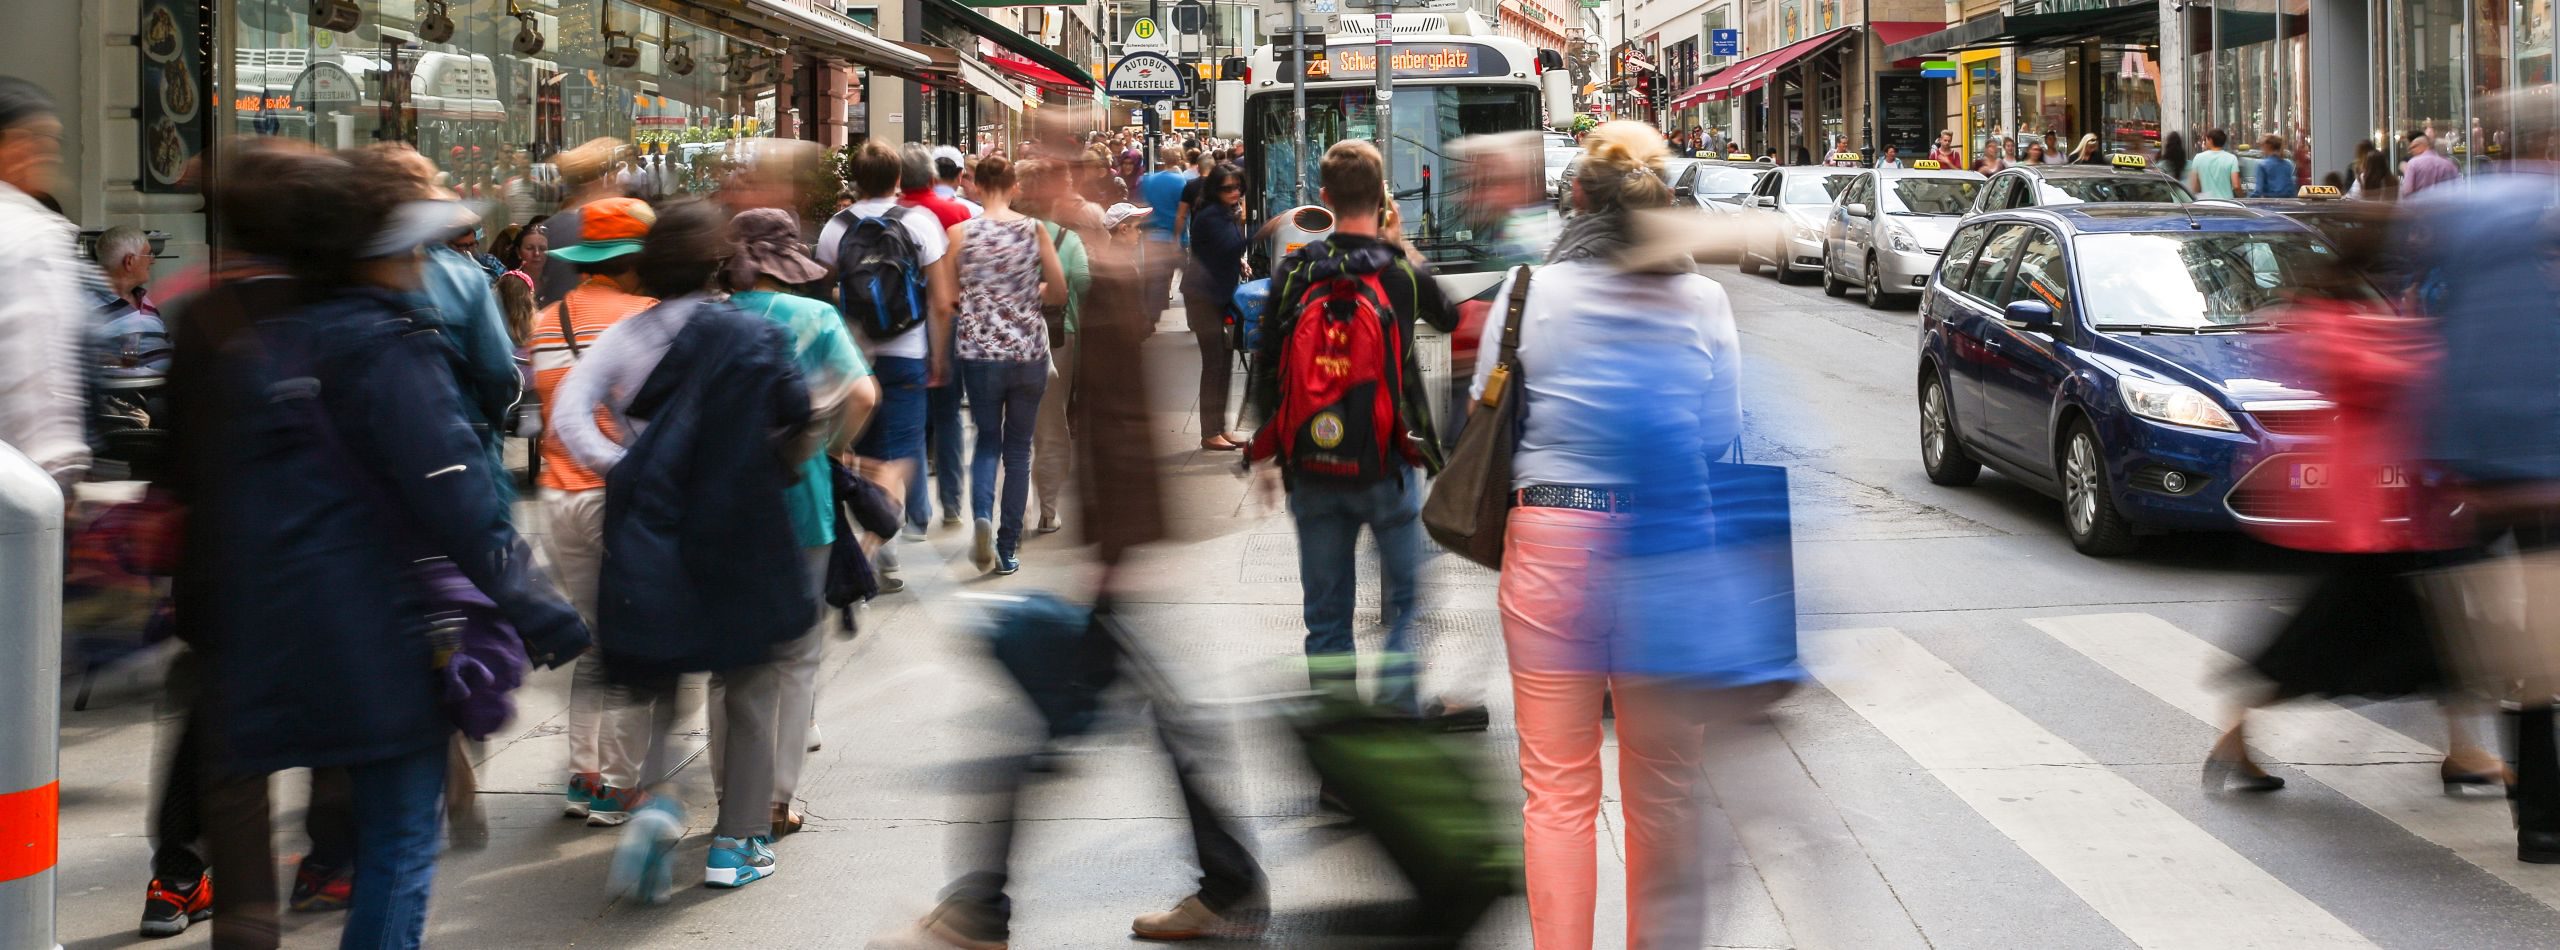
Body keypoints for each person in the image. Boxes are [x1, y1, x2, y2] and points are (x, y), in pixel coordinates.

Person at [203, 150, 587, 950]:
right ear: (375, 255)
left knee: (380, 830)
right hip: (382, 629)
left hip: (278, 625)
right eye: (410, 245)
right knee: (402, 841)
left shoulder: (262, 343)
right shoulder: (388, 348)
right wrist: (540, 609)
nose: (422, 261)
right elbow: (456, 496)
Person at [1469, 117, 1759, 950]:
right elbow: (1720, 431)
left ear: (1579, 208)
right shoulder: (1703, 299)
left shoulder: (1527, 289)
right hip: (1670, 547)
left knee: (1556, 789)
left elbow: (1484, 420)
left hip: (1552, 539)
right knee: (1666, 787)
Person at [549, 199, 816, 898]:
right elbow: (799, 412)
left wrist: (629, 466)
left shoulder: (624, 339)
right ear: (719, 262)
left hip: (652, 528)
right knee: (750, 685)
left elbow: (569, 416)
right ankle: (735, 843)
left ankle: (656, 809)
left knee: (666, 682)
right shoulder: (749, 332)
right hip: (740, 527)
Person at [1248, 139, 1457, 725]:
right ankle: (1395, 710)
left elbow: (1268, 364)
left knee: (1327, 616)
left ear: (1325, 199)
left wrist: (1268, 457)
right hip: (1388, 464)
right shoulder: (1399, 275)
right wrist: (1403, 246)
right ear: (1383, 197)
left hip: (1311, 464)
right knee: (1409, 599)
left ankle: (1341, 746)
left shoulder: (1296, 270)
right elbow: (1451, 317)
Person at [2404, 88, 2560, 863]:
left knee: (2524, 642)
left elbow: (2424, 317)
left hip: (2482, 464)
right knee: (2543, 635)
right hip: (2547, 464)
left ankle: (2538, 817)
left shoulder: (2463, 212)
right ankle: (2541, 813)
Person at [718, 207, 876, 838]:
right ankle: (778, 798)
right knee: (796, 656)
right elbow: (862, 395)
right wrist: (832, 447)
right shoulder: (814, 317)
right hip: (801, 500)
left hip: (724, 502)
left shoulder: (714, 318)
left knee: (731, 658)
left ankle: (734, 791)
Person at [525, 197, 662, 827]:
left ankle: (581, 773)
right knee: (633, 637)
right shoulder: (649, 318)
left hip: (558, 492)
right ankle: (617, 783)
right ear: (637, 259)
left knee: (589, 636)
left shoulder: (546, 319)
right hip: (620, 493)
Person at [821, 141, 957, 575]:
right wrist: (938, 357)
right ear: (898, 178)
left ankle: (877, 542)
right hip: (907, 353)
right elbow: (940, 301)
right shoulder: (920, 222)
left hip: (852, 358)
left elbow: (826, 293)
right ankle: (879, 548)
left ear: (855, 180)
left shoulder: (835, 227)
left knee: (860, 453)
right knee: (899, 454)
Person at [948, 156, 1067, 575]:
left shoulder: (959, 233)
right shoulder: (1033, 230)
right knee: (1019, 451)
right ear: (1015, 186)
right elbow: (1059, 293)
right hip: (1027, 352)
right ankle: (1007, 544)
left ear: (975, 186)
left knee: (986, 442)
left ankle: (981, 514)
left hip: (979, 354)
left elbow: (947, 299)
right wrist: (1032, 288)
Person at [0, 76, 89, 491]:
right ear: (15, 145)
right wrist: (59, 476)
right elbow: (35, 379)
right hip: (16, 486)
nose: (51, 155)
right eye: (46, 141)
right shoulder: (28, 234)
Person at [1018, 159, 1092, 536]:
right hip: (1056, 337)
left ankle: (1009, 512)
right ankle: (1048, 509)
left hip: (998, 342)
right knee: (1050, 425)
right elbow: (1082, 281)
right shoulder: (1065, 238)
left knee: (1010, 429)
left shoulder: (998, 233)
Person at [1185, 164, 1252, 452]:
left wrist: (1239, 261)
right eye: (1227, 188)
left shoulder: (1226, 214)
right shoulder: (1212, 215)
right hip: (1203, 298)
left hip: (1218, 294)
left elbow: (1222, 250)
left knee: (1223, 363)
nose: (1234, 192)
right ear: (1215, 189)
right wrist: (1264, 231)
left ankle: (1220, 429)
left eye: (1237, 186)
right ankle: (1209, 431)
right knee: (1214, 363)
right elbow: (1224, 246)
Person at [534, 138, 627, 306]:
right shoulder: (613, 224)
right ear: (596, 182)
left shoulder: (549, 227)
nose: (616, 181)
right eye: (610, 174)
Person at [1137, 144, 1194, 321]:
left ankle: (1150, 320)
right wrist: (1177, 238)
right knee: (1191, 281)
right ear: (1180, 159)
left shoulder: (1148, 180)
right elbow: (1182, 214)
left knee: (1155, 281)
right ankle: (1193, 319)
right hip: (1173, 239)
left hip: (1151, 237)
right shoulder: (1181, 183)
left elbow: (1142, 206)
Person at [931, 145, 986, 217]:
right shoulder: (974, 211)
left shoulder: (915, 208)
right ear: (959, 176)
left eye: (968, 178)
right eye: (964, 177)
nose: (964, 183)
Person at [2401, 131, 2460, 197]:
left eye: (2413, 147)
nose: (2411, 151)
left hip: (2420, 205)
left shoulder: (2413, 163)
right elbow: (2457, 188)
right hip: (2445, 205)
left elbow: (2407, 191)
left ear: (2422, 145)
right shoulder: (2448, 164)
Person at [2189, 128, 2243, 199]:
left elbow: (2194, 186)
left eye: (2206, 140)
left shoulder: (2198, 158)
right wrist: (2243, 197)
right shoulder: (2232, 158)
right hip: (2227, 204)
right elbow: (2236, 186)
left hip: (2206, 204)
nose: (2205, 142)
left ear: (2210, 140)